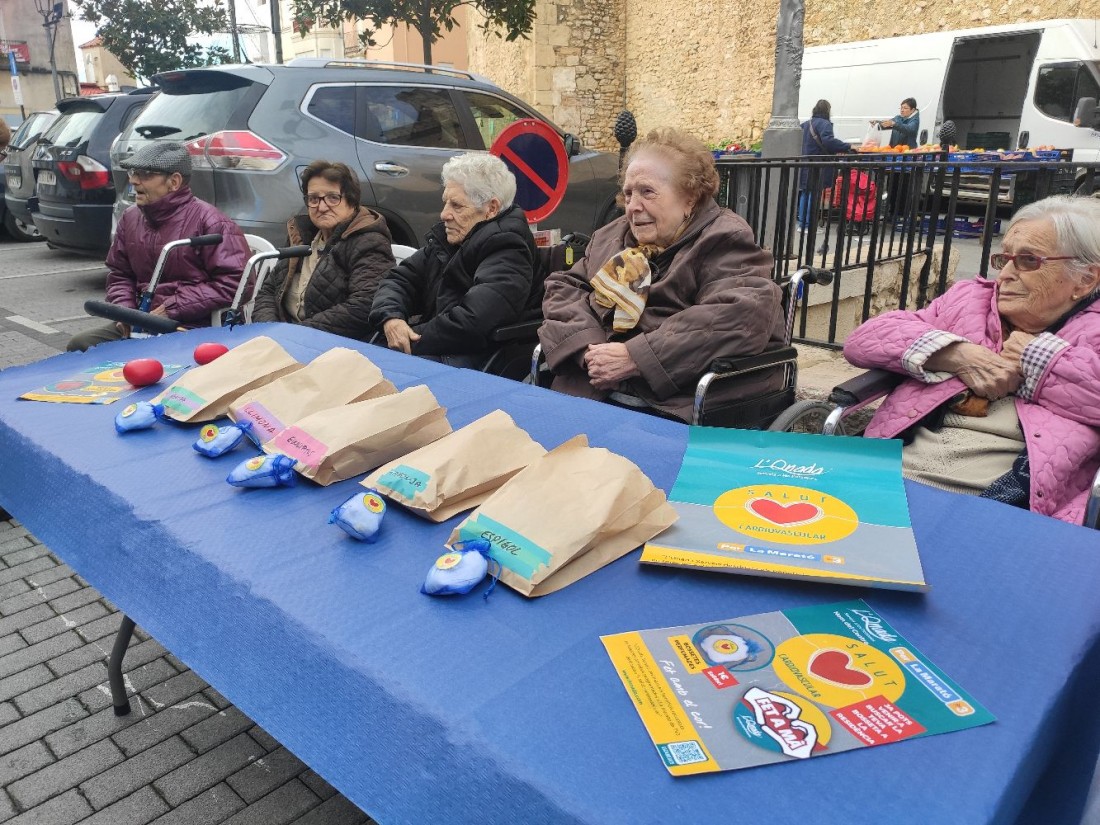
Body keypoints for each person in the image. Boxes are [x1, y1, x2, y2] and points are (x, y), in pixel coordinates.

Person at [843, 194, 1100, 525]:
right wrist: (956, 354)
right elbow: (865, 340)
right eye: (1004, 259)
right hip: (891, 474)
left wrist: (1035, 358)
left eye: (1028, 260)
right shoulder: (970, 301)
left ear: (1085, 280)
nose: (1004, 275)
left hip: (995, 505)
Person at [538, 128, 783, 422]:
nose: (633, 206)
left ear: (690, 198)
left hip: (671, 399)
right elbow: (565, 287)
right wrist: (588, 349)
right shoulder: (611, 237)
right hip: (597, 385)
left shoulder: (723, 238)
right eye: (628, 193)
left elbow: (742, 312)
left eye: (647, 192)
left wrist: (635, 357)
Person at [67, 141, 250, 351]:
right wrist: (125, 312)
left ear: (174, 181)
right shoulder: (130, 218)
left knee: (146, 357)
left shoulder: (212, 222)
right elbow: (120, 274)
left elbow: (236, 283)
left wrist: (172, 308)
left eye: (145, 174)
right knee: (80, 346)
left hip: (191, 326)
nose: (133, 180)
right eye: (133, 172)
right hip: (142, 321)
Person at [369, 153, 537, 366]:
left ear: (491, 208)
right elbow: (400, 280)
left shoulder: (508, 246)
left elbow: (474, 321)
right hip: (440, 347)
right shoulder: (452, 238)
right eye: (445, 203)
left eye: (456, 205)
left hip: (475, 358)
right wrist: (391, 318)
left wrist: (411, 338)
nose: (444, 214)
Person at [251, 160, 394, 341]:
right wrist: (270, 331)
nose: (322, 207)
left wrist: (294, 335)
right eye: (314, 199)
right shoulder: (301, 235)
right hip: (282, 337)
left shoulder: (369, 241)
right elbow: (269, 291)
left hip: (334, 345)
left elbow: (364, 306)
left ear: (352, 201)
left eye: (333, 198)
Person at [798, 100, 854, 230]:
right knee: (814, 194)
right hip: (818, 164)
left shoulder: (805, 124)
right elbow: (828, 141)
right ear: (827, 111)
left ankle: (802, 224)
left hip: (805, 163)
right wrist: (847, 146)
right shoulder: (825, 124)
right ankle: (809, 225)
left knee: (805, 193)